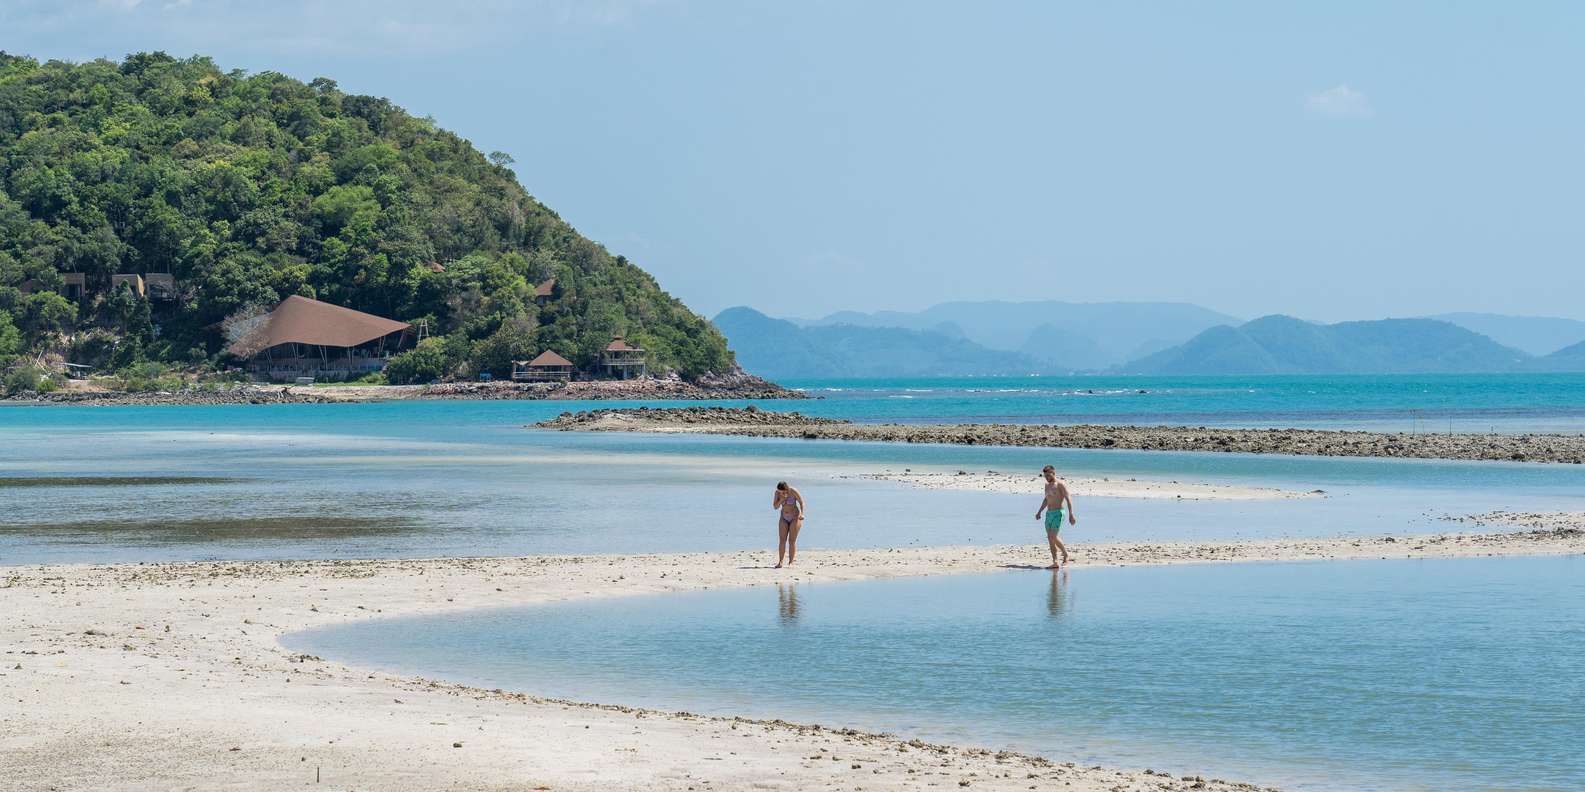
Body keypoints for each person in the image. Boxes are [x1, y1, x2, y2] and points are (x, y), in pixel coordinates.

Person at [1034, 465, 1075, 569]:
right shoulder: (1047, 485)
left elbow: (1068, 498)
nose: (1047, 477)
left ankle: (1065, 554)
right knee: (1050, 538)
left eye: (1048, 475)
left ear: (1054, 473)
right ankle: (1055, 561)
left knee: (1053, 536)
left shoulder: (1060, 484)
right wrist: (1039, 511)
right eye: (1045, 476)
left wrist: (1071, 514)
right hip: (1049, 513)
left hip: (1058, 513)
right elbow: (1046, 499)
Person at [773, 481, 805, 568]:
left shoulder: (793, 491)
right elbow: (775, 507)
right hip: (784, 517)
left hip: (795, 517)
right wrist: (782, 499)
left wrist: (802, 513)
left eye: (783, 491)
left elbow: (801, 502)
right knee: (782, 540)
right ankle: (780, 561)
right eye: (780, 492)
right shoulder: (777, 493)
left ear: (787, 488)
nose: (782, 493)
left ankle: (791, 562)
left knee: (791, 541)